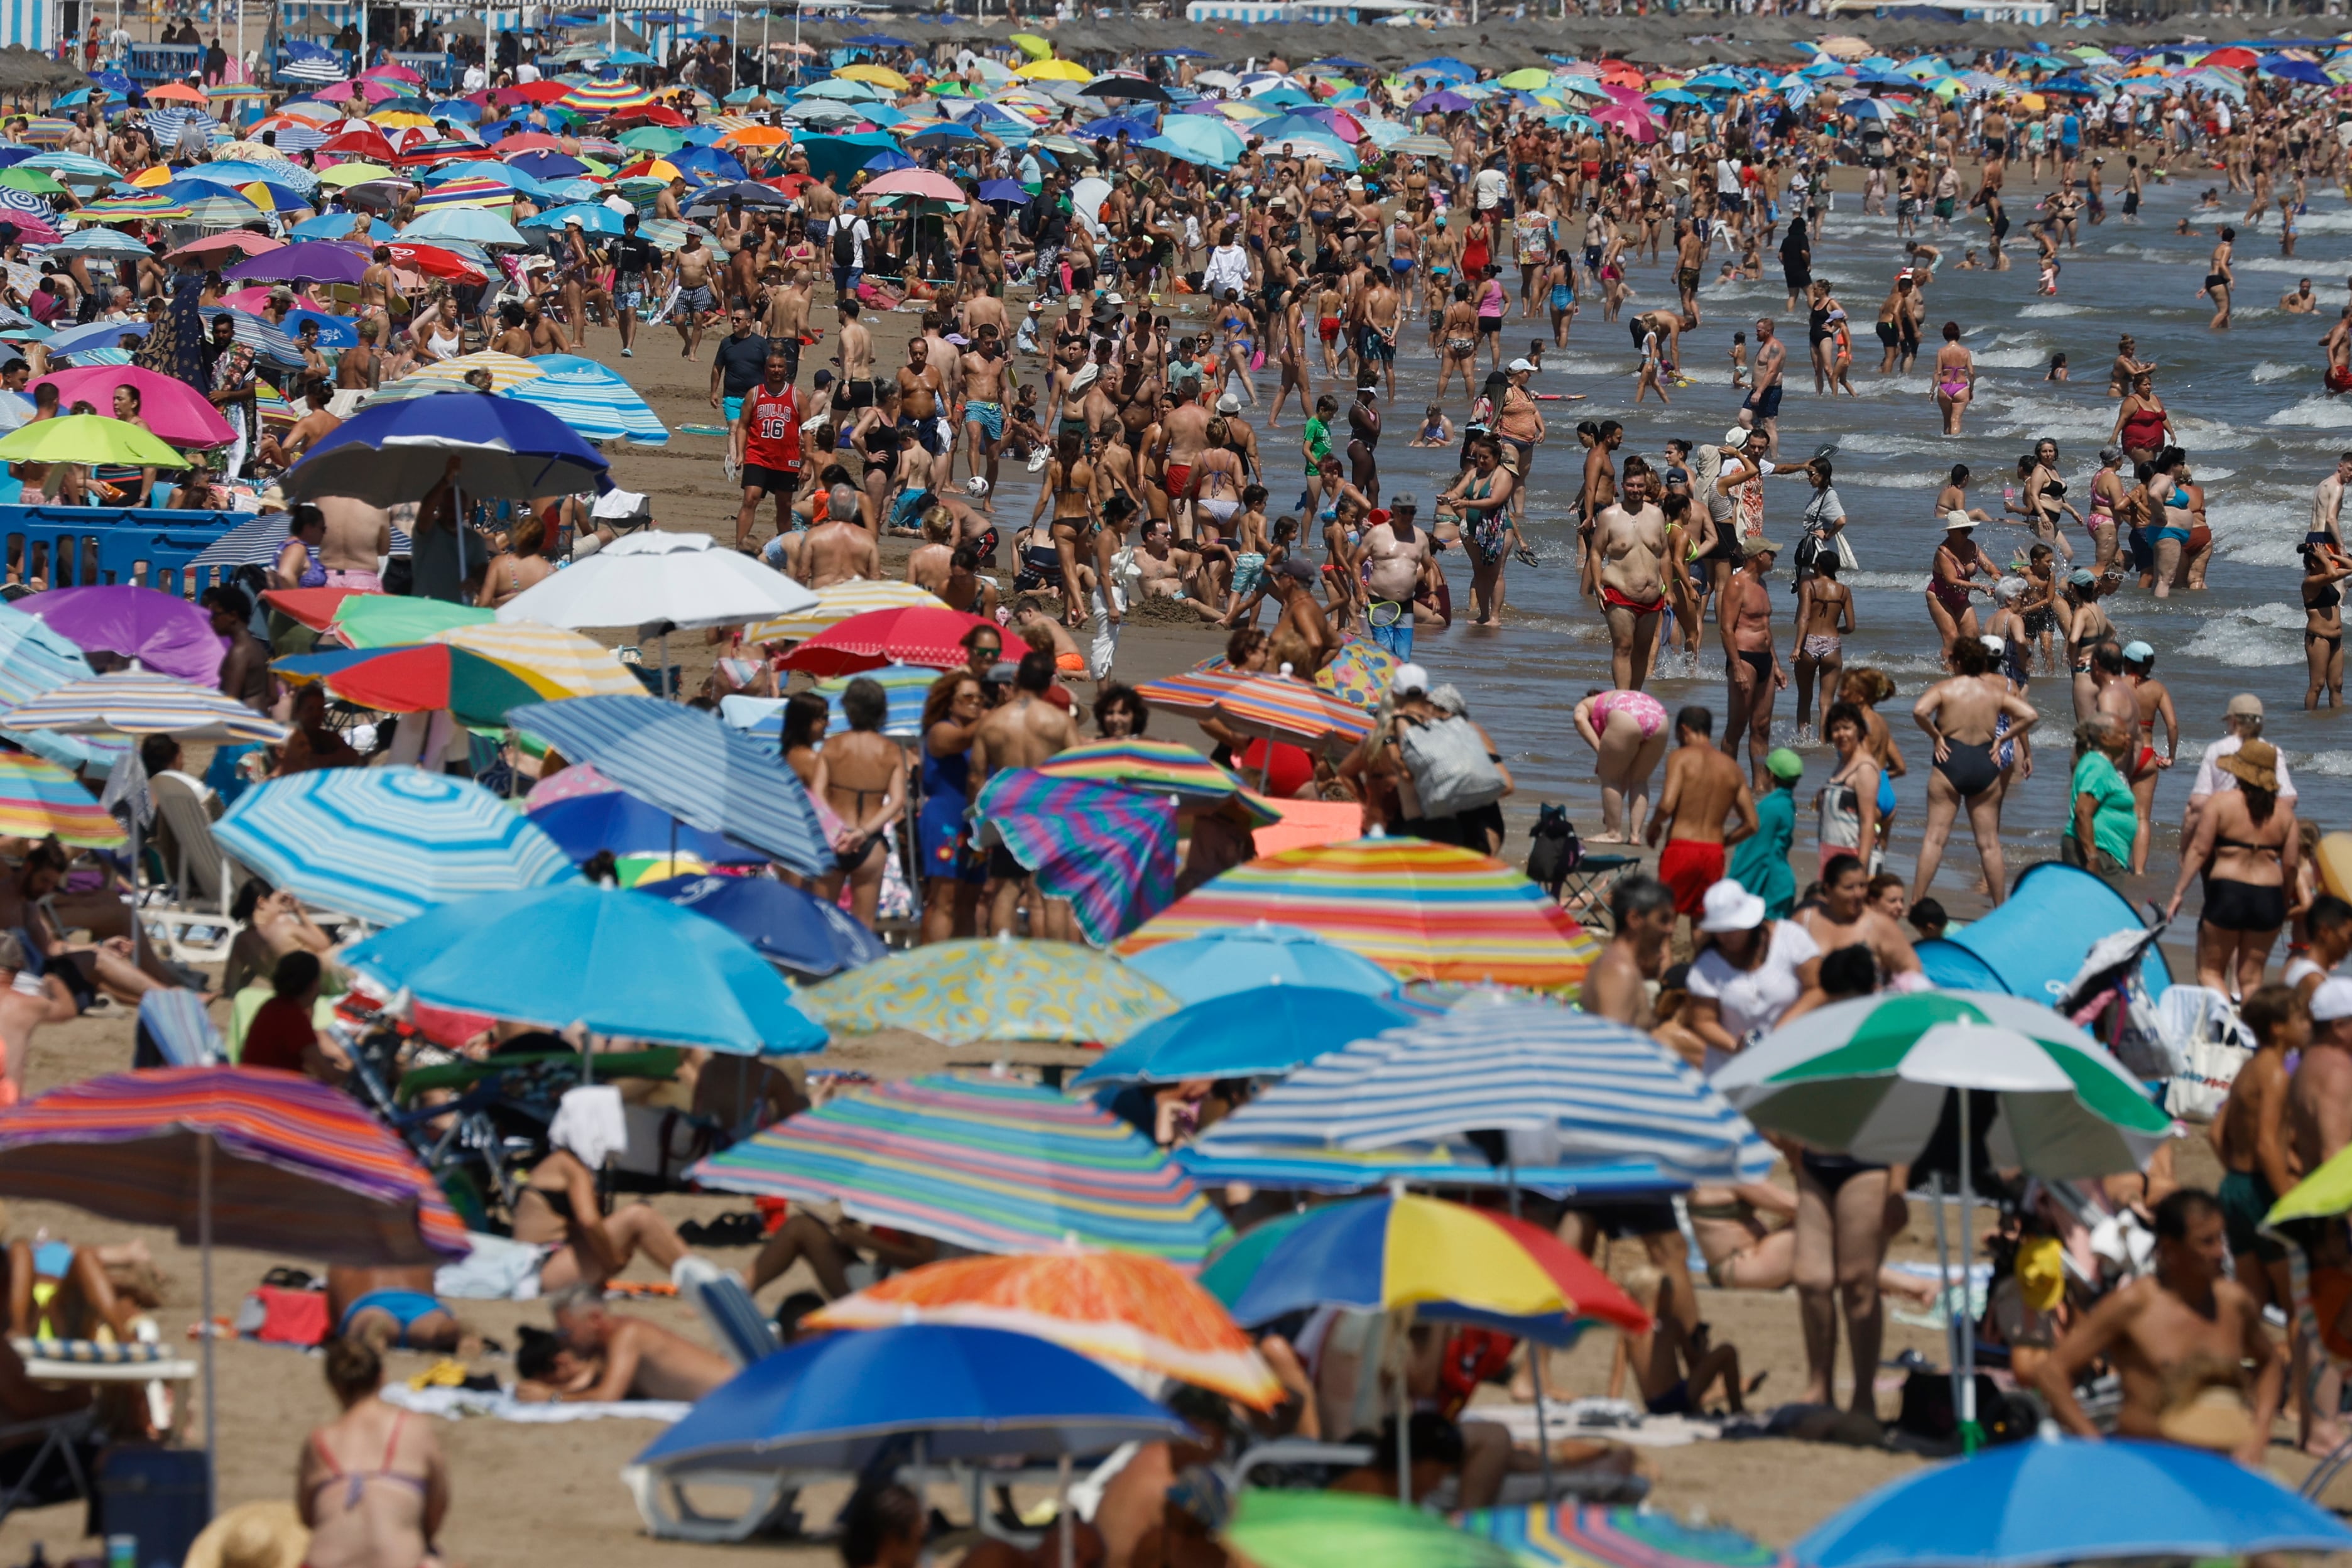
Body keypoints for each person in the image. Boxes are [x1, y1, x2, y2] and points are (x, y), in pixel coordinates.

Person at [2036, 1189, 2280, 1466]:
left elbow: (2270, 1363)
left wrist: (2259, 1433)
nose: (2219, 1253)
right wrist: (2094, 1443)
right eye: (2206, 1242)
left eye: (2220, 1239)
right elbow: (2052, 1372)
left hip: (2220, 1468)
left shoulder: (2233, 1303)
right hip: (2147, 1465)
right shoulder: (2134, 1306)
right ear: (2169, 1249)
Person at [297, 1337, 449, 1568]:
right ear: (382, 1377)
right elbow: (437, 1504)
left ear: (333, 1385)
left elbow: (309, 1518)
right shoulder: (413, 1428)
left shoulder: (319, 1441)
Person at [1909, 636, 2038, 906]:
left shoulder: (1947, 688)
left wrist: (1936, 736)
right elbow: (2029, 716)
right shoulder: (1995, 693)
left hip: (1949, 761)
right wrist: (2004, 739)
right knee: (1989, 844)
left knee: (1934, 839)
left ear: (1958, 661)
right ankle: (2000, 907)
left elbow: (1920, 710)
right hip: (1985, 762)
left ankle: (1917, 902)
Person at [2166, 739, 2297, 998]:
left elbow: (2200, 850)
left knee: (2211, 972)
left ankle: (2225, 1029)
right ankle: (2247, 1035)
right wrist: (2283, 901)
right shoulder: (2284, 814)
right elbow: (2290, 864)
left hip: (2228, 891)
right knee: (2251, 980)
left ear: (2240, 770)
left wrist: (2179, 892)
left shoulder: (2221, 803)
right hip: (2268, 895)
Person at [2213, 984, 2301, 1322]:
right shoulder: (2277, 1076)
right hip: (2261, 1189)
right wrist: (2291, 1204)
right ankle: (2297, 1376)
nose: (2307, 1026)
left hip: (2234, 1187)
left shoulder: (2248, 1070)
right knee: (2295, 1304)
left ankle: (2242, 1365)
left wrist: (2237, 1174)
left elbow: (2217, 1134)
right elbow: (2267, 1145)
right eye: (2300, 1019)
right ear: (2279, 1028)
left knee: (2252, 1299)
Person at [1645, 707, 1757, 932]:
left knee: (1665, 923)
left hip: (1681, 849)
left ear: (1684, 730)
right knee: (1702, 925)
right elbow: (1752, 824)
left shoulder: (1680, 758)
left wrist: (1654, 826)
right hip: (1714, 853)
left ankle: (1665, 967)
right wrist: (1723, 841)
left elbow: (1667, 805)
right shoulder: (1733, 769)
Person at [814, 677, 907, 930]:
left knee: (825, 919)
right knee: (864, 924)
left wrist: (839, 831)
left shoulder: (832, 746)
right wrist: (863, 833)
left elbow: (817, 794)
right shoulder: (891, 751)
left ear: (847, 707)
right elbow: (898, 801)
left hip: (833, 839)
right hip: (871, 843)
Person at [542, 1284, 732, 1403]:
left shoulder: (628, 1334)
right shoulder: (608, 1346)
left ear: (595, 1320)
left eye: (566, 1332)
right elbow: (591, 1385)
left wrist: (550, 1398)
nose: (562, 1340)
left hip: (738, 1395)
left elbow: (607, 1396)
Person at [917, 672, 987, 945]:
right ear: (950, 702)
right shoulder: (941, 731)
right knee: (943, 899)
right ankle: (935, 966)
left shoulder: (982, 733)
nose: (975, 703)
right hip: (944, 818)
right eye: (967, 697)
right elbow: (964, 738)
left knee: (970, 900)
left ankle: (964, 965)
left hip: (974, 822)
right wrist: (1000, 712)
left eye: (980, 697)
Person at [1720, 538, 1787, 788]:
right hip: (1744, 658)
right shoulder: (1737, 584)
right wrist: (1736, 666)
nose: (1774, 558)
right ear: (1758, 556)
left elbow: (1766, 630)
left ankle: (1759, 785)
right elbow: (1727, 629)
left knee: (1762, 727)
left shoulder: (1763, 584)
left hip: (1765, 661)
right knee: (1737, 727)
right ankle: (1727, 783)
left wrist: (1777, 666)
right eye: (1771, 554)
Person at [1571, 689, 1668, 845]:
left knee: (1610, 778)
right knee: (1639, 780)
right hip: (1659, 716)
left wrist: (1600, 752)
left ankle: (1613, 833)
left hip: (1626, 714)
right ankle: (1635, 835)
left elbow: (1579, 718)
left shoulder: (1586, 704)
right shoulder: (1615, 696)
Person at [1580, 876, 1675, 1028]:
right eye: (1663, 920)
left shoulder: (1617, 963)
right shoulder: (1620, 971)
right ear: (1634, 919)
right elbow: (1614, 1042)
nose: (1670, 929)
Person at [1728, 748, 1804, 920]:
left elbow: (1755, 849)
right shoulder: (1787, 804)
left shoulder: (1771, 807)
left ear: (1771, 775)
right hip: (1783, 882)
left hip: (1771, 886)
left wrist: (1735, 881)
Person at [2064, 716, 2138, 879]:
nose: (2128, 737)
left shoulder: (2098, 764)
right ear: (2105, 738)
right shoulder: (2099, 766)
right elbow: (2083, 812)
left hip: (2106, 851)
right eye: (2122, 734)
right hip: (2099, 851)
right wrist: (2092, 857)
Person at [1815, 704, 1882, 879]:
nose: (1841, 734)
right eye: (1836, 729)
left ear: (1860, 730)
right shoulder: (1843, 764)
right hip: (1832, 854)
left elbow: (1869, 822)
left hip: (1852, 859)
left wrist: (1861, 868)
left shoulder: (1865, 768)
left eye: (1847, 728)